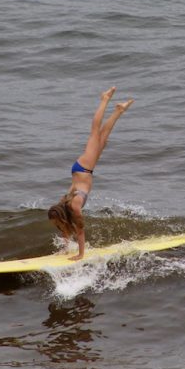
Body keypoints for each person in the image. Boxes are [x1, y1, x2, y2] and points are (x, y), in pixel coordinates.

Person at [48, 87, 134, 261]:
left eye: (55, 222)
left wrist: (80, 255)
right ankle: (119, 110)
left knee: (95, 131)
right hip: (82, 170)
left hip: (84, 167)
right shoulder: (66, 206)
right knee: (103, 137)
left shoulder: (74, 206)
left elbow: (80, 230)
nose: (56, 225)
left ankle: (104, 99)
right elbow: (68, 230)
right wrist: (65, 249)